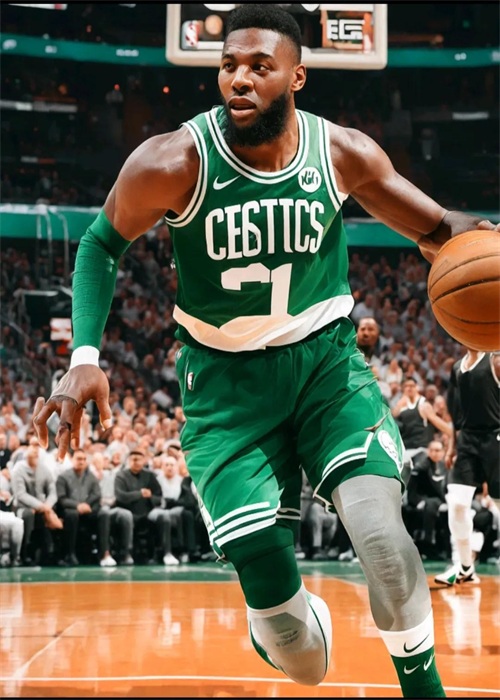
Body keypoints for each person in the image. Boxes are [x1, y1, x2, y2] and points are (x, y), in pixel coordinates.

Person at [32, 4, 499, 696]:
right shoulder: (174, 160)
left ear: (297, 77)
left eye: (259, 66)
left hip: (326, 370)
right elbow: (101, 244)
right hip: (225, 394)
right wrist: (83, 358)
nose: (239, 79)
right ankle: (279, 621)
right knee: (301, 658)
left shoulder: (341, 153)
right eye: (229, 66)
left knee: (383, 542)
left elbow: (437, 229)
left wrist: (482, 244)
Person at [435, 348, 500, 586]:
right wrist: (451, 447)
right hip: (467, 441)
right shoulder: (456, 367)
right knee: (457, 504)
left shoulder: (495, 360)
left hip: (495, 437)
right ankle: (464, 567)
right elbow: (455, 414)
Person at [55, 449, 118, 567]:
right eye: (79, 459)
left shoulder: (91, 477)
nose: (82, 462)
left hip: (88, 509)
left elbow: (97, 495)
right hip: (70, 510)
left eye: (84, 459)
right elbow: (61, 498)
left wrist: (86, 505)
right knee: (72, 514)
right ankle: (70, 554)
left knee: (104, 513)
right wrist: (77, 505)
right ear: (72, 460)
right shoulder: (63, 477)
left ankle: (105, 554)